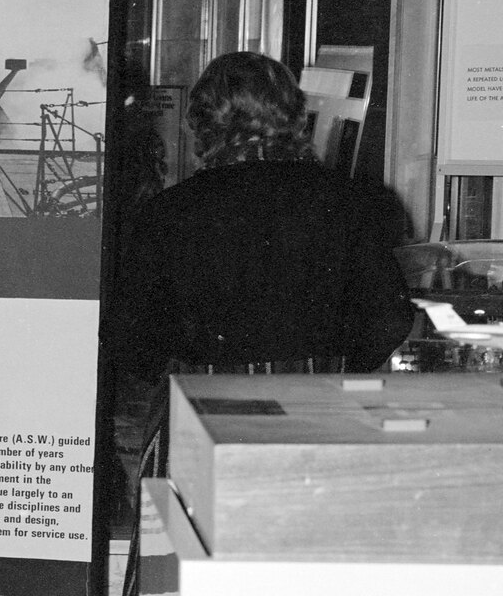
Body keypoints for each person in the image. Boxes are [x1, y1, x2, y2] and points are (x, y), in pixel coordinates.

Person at [107, 51, 414, 490]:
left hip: (202, 419)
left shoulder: (169, 212)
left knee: (193, 532)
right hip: (317, 417)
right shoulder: (350, 201)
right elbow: (390, 320)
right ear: (294, 116)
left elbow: (130, 339)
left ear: (202, 123)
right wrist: (332, 368)